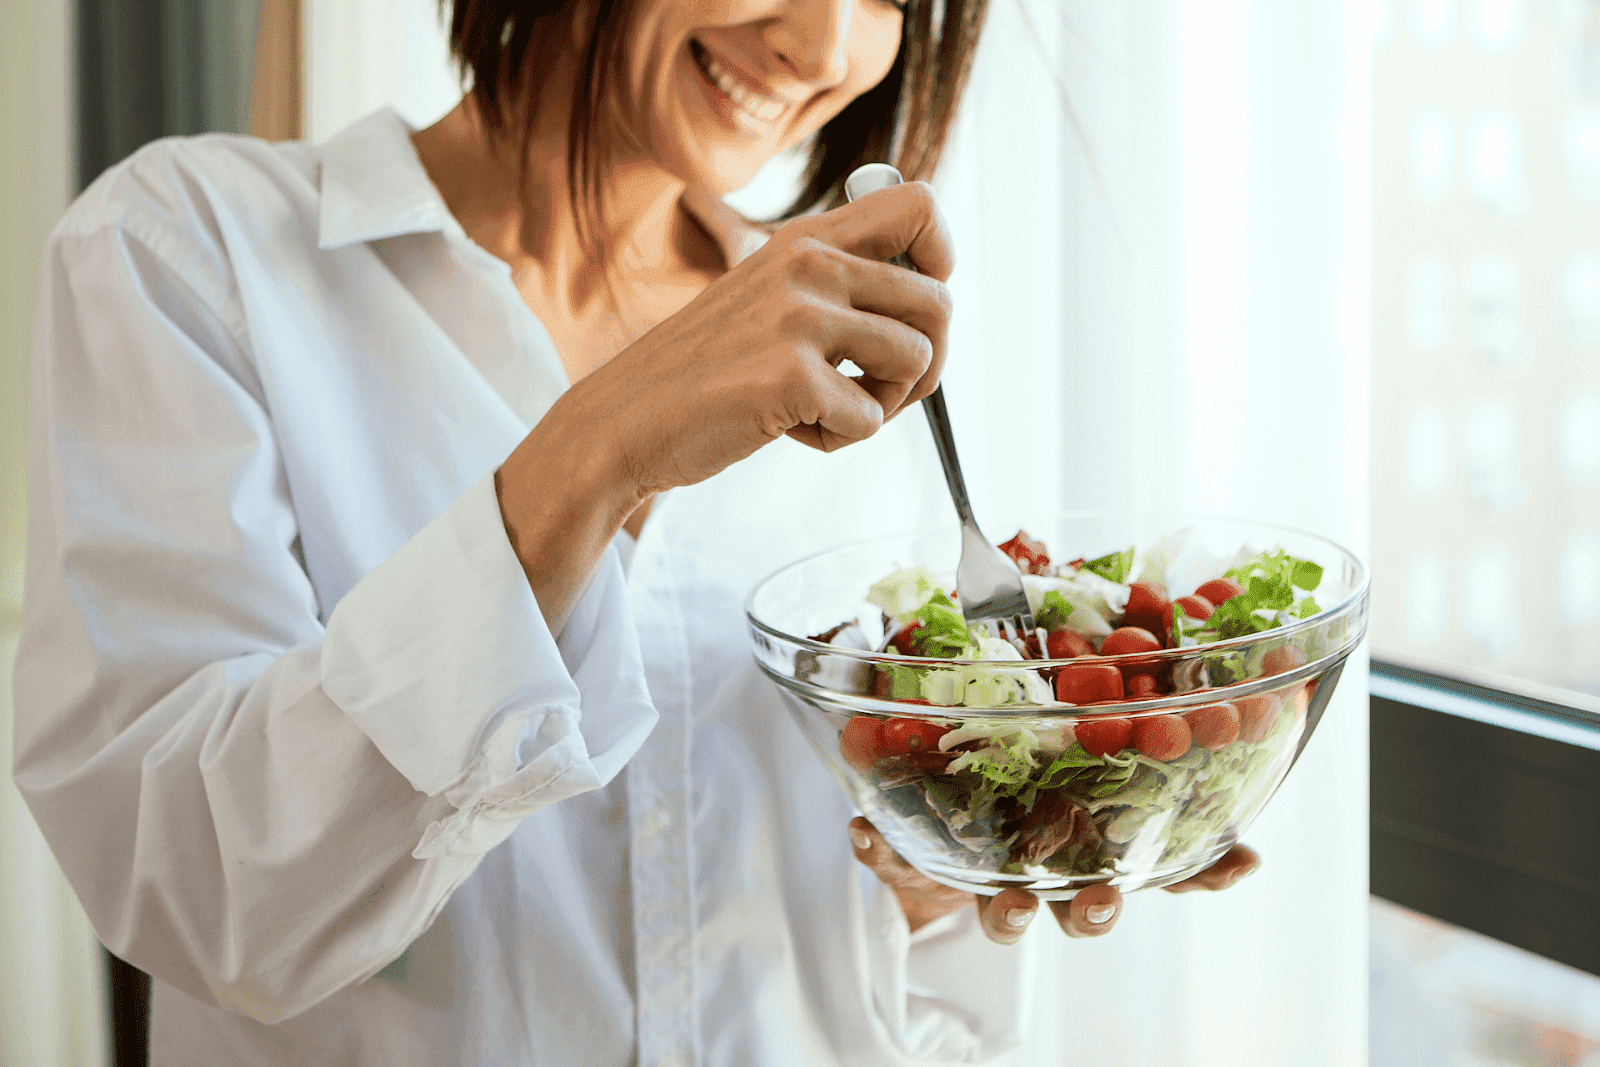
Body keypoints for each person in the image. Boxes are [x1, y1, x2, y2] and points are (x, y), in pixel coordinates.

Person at [12, 1, 1257, 1063]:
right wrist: (594, 451)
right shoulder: (189, 249)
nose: (823, 40)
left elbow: (905, 1006)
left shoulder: (851, 354)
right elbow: (196, 887)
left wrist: (949, 871)